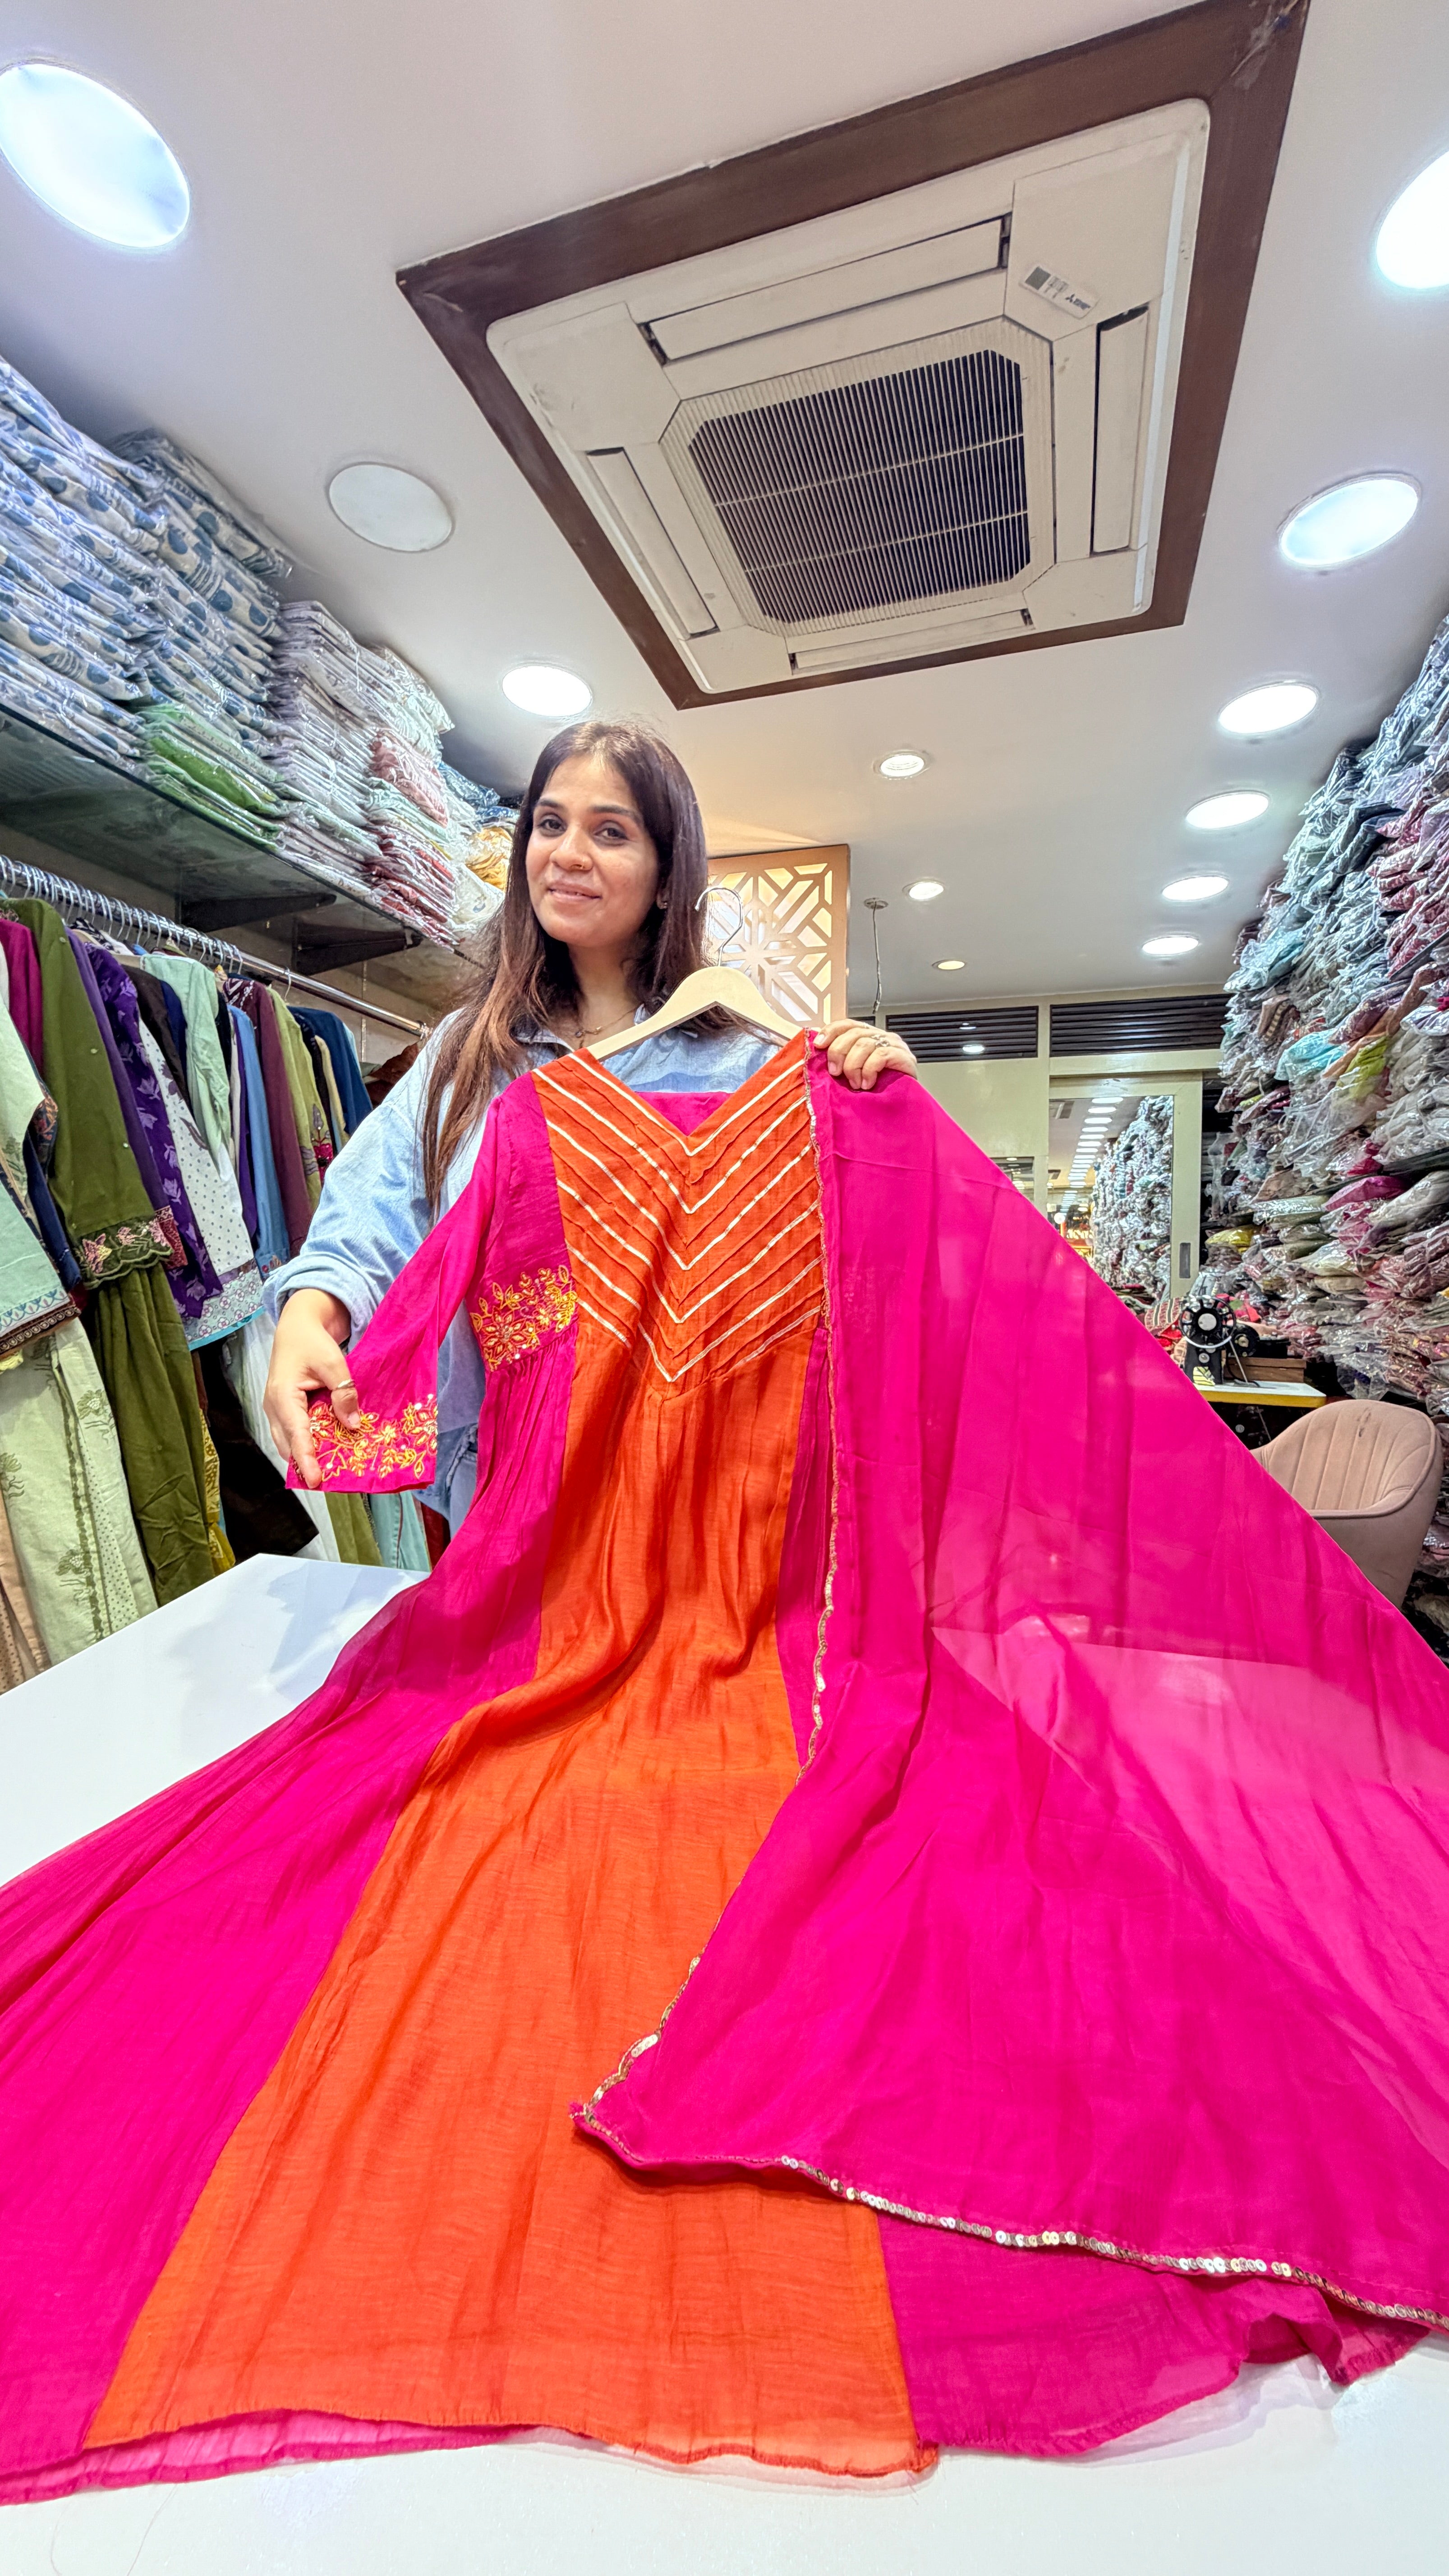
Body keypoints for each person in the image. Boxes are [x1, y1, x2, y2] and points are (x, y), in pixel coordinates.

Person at [263, 718, 917, 1521]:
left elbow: (850, 1271)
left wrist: (874, 1113)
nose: (568, 854)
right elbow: (376, 1206)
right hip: (505, 1481)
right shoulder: (471, 1054)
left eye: (610, 832)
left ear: (668, 875)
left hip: (687, 1495)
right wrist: (310, 1310)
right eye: (549, 824)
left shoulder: (745, 1069)